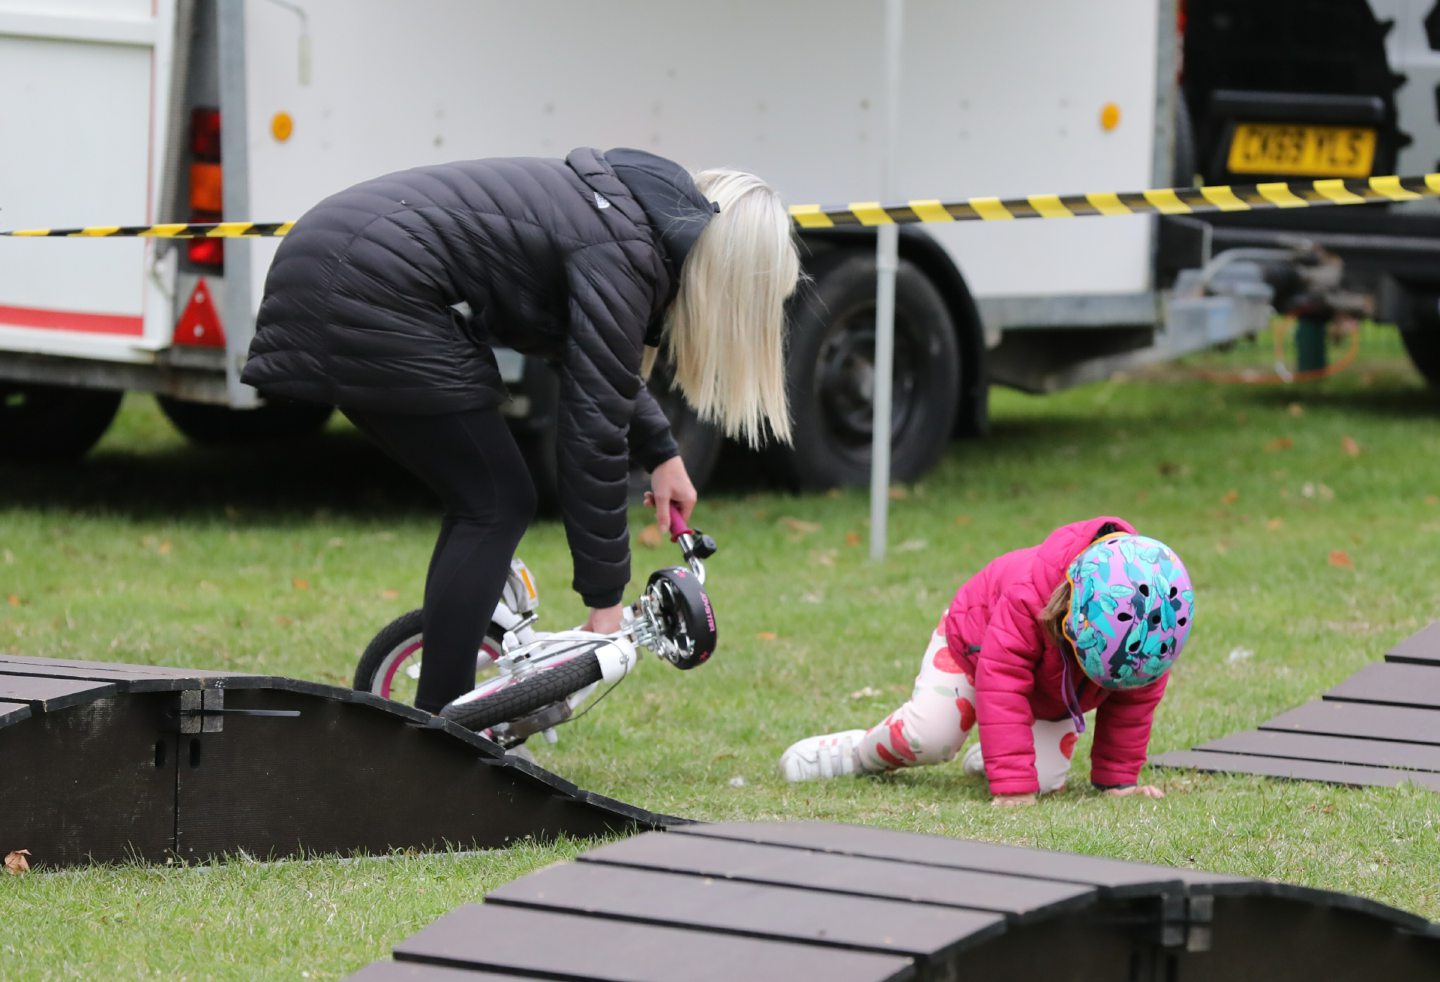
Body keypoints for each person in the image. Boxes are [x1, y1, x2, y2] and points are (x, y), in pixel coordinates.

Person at [241, 148, 799, 714]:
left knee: (485, 499)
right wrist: (605, 607)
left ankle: (440, 712)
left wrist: (660, 453)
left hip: (328, 257)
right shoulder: (622, 249)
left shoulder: (619, 220)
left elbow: (591, 363)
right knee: (495, 502)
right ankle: (441, 726)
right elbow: (592, 433)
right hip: (369, 282)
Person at [779, 517, 1193, 806]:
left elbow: (1132, 708)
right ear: (1070, 613)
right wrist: (1013, 786)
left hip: (1054, 690)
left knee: (1046, 780)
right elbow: (1001, 683)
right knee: (930, 737)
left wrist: (1118, 782)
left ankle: (992, 755)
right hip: (974, 649)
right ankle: (856, 752)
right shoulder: (1025, 596)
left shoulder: (1151, 636)